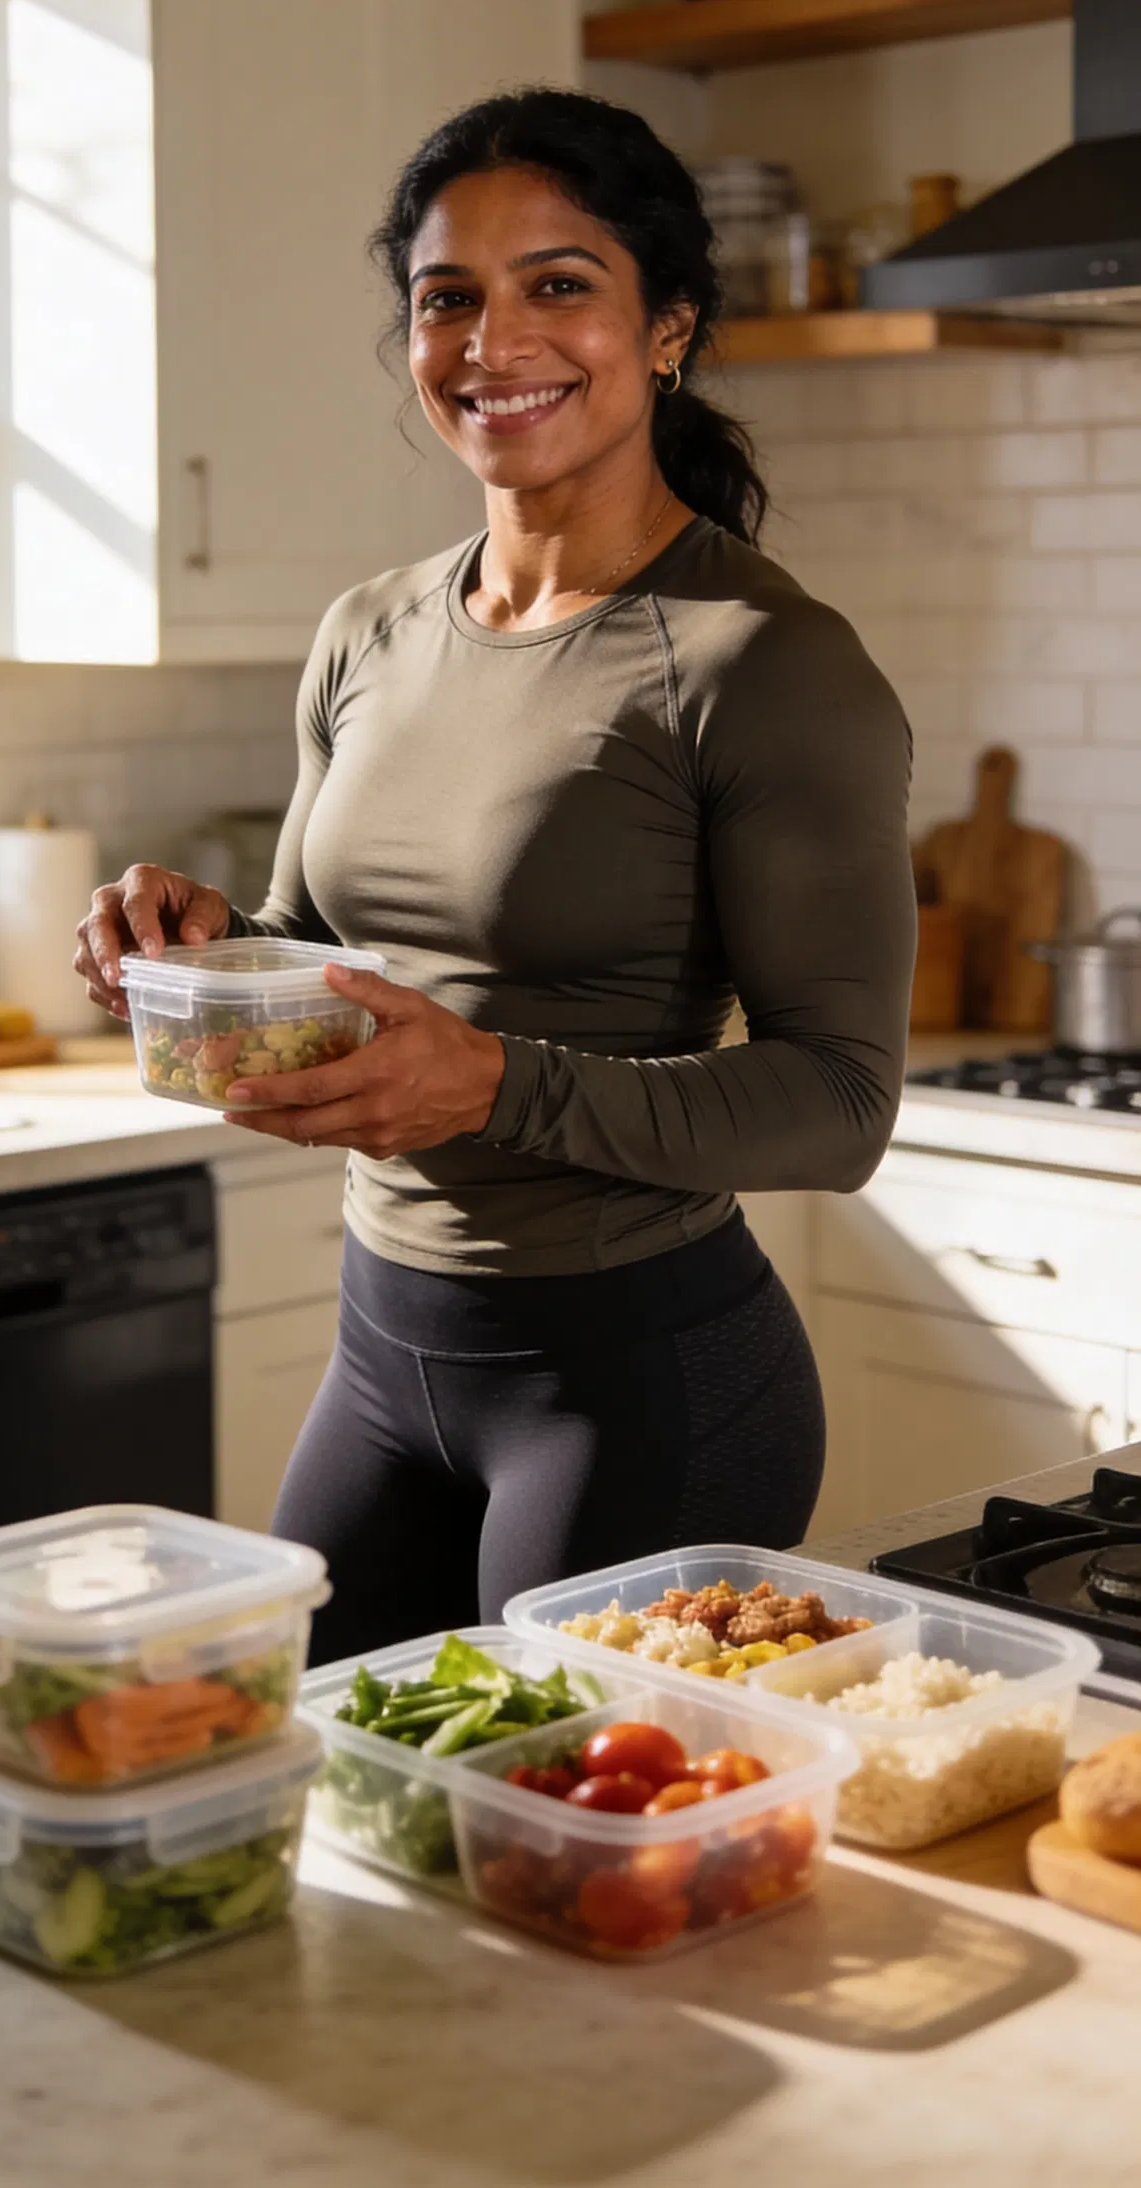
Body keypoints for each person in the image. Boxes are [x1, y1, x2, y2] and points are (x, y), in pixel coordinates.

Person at [77, 88, 915, 1661]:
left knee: (577, 1873)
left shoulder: (763, 661)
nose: (491, 339)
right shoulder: (369, 629)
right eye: (446, 296)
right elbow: (325, 953)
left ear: (667, 327)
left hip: (639, 1382)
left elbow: (840, 1105)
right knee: (320, 1806)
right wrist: (199, 939)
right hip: (383, 1351)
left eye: (559, 285)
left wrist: (489, 1086)